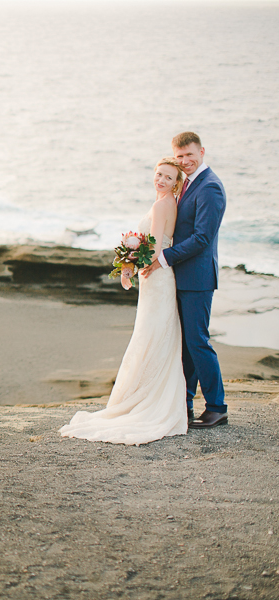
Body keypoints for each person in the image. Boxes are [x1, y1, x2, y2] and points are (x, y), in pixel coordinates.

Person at [60, 157, 187, 445]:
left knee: (150, 335)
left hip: (156, 278)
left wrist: (130, 264)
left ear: (176, 182)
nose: (161, 180)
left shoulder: (161, 205)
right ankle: (149, 394)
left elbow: (153, 246)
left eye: (168, 177)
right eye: (158, 174)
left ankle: (144, 399)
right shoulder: (169, 204)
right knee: (156, 334)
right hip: (159, 278)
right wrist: (131, 260)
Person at [139, 132, 227, 429]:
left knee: (198, 343)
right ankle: (185, 403)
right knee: (186, 346)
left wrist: (162, 258)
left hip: (198, 278)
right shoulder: (187, 184)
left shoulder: (210, 187)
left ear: (202, 151)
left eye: (190, 155)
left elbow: (202, 238)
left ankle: (217, 407)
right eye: (179, 157)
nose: (185, 161)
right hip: (181, 276)